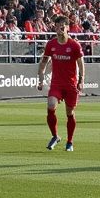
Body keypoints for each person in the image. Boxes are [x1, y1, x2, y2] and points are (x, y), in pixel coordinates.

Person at [38, 16, 85, 151]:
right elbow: (43, 62)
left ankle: (70, 142)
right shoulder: (51, 44)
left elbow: (81, 64)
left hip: (70, 85)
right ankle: (55, 136)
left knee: (69, 112)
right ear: (55, 27)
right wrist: (40, 79)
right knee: (51, 105)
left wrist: (81, 80)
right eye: (58, 25)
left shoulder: (74, 45)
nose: (60, 27)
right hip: (56, 84)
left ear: (67, 28)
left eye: (63, 25)